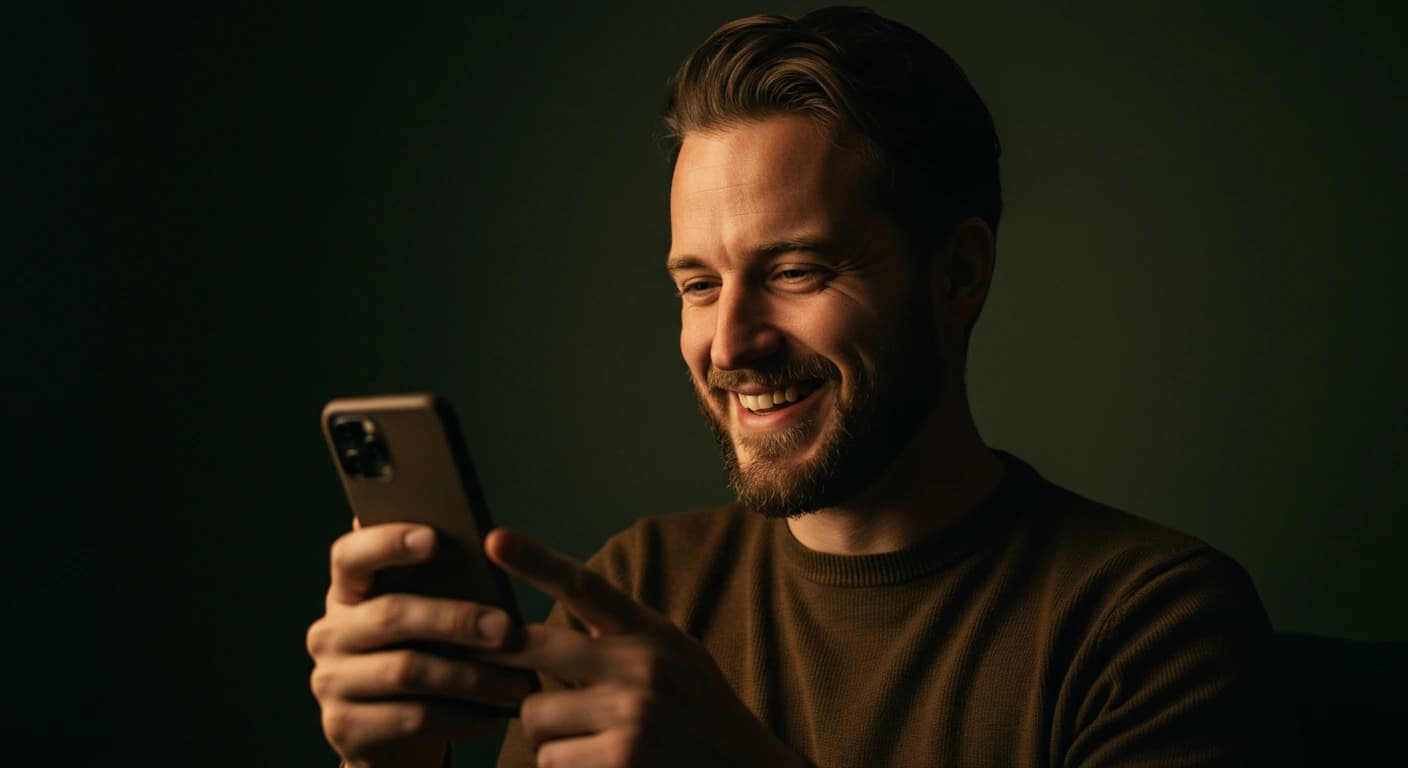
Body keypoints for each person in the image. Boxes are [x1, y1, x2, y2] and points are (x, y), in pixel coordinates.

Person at [306, 7, 1274, 767]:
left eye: (797, 271)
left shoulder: (1146, 618)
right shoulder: (641, 589)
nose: (728, 343)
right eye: (697, 284)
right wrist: (395, 763)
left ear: (958, 275)